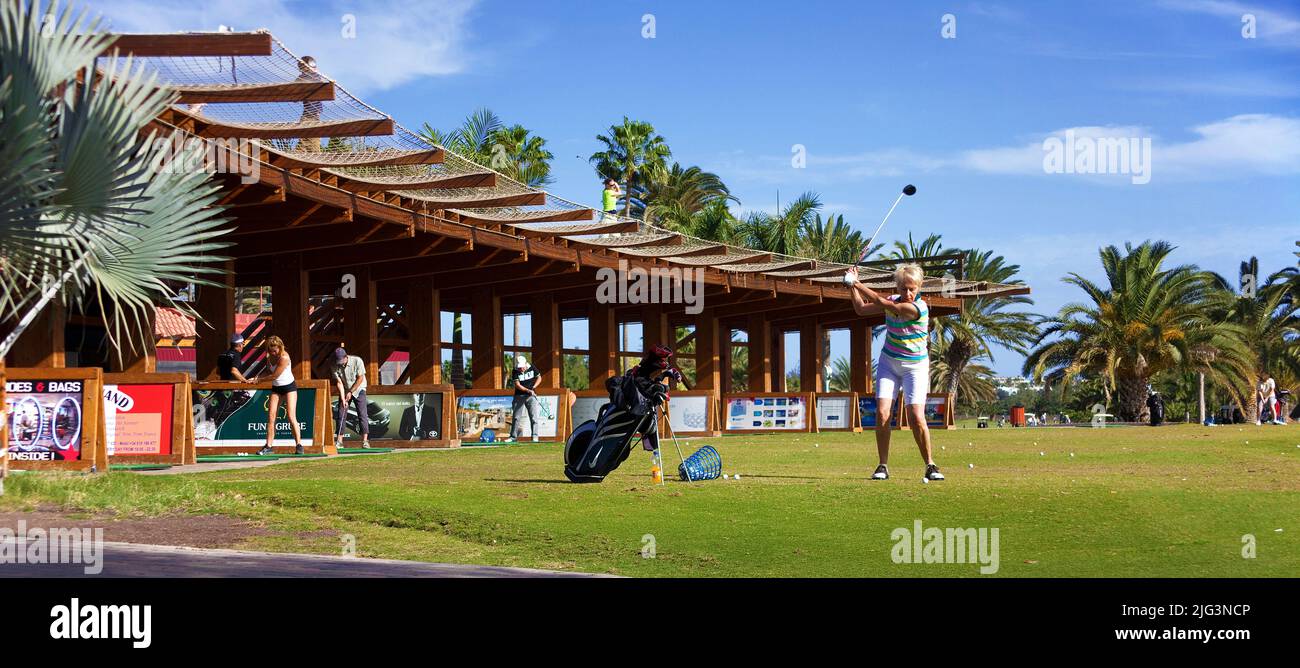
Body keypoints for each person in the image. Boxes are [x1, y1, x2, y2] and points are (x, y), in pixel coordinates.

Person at [844, 264, 944, 481]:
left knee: (916, 416)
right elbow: (861, 309)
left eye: (912, 288)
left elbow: (882, 303)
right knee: (882, 414)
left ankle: (930, 464)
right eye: (903, 289)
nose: (907, 293)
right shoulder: (894, 300)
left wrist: (856, 282)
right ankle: (882, 466)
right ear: (897, 287)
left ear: (919, 287)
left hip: (915, 366)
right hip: (889, 362)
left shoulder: (919, 308)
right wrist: (850, 286)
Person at [256, 336, 305, 455]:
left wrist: (259, 381)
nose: (273, 352)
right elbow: (268, 371)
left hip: (289, 387)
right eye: (270, 350)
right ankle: (269, 446)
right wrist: (257, 377)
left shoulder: (284, 357)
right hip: (276, 388)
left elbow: (274, 376)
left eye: (275, 350)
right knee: (271, 417)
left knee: (291, 416)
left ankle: (299, 445)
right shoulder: (269, 357)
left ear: (280, 347)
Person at [331, 347, 370, 449]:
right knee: (341, 414)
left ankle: (365, 441)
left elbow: (360, 378)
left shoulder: (357, 361)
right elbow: (339, 382)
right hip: (345, 388)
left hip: (359, 388)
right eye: (337, 361)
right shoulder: (334, 365)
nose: (340, 363)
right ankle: (339, 441)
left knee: (362, 414)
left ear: (346, 357)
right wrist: (343, 399)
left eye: (341, 360)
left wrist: (351, 392)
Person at [509, 355, 541, 442]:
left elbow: (539, 378)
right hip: (519, 396)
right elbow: (517, 385)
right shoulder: (515, 371)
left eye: (522, 367)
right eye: (519, 367)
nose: (520, 369)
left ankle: (535, 436)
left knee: (533, 416)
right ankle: (513, 437)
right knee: (516, 417)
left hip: (531, 396)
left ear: (525, 364)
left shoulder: (532, 367)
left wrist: (533, 387)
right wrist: (528, 390)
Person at [295, 56, 324, 152]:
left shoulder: (307, 76)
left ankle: (299, 156)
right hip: (312, 115)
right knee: (309, 141)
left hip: (311, 115)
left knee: (309, 142)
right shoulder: (315, 76)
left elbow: (294, 96)